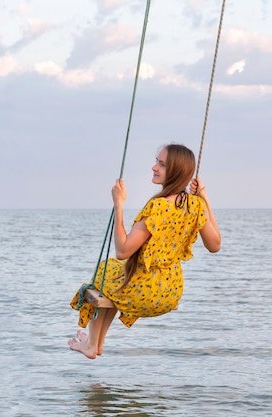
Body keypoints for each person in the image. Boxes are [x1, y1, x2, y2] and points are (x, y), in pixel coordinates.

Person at [68, 143, 221, 359]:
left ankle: (92, 344)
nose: (154, 167)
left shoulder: (158, 208)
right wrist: (204, 199)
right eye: (157, 161)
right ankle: (97, 344)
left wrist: (119, 204)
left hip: (147, 293)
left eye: (162, 164)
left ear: (176, 171)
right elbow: (215, 245)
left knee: (103, 274)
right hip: (171, 291)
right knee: (114, 271)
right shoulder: (195, 205)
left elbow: (123, 251)